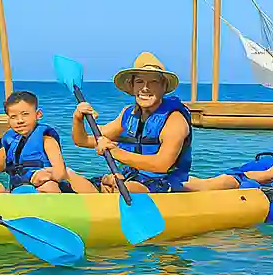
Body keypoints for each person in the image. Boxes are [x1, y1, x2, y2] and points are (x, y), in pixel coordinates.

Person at [71, 52, 193, 194]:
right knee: (68, 177)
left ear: (163, 87)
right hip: (131, 178)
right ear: (133, 86)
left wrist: (116, 152)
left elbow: (162, 164)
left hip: (164, 183)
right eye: (140, 82)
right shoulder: (128, 115)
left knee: (122, 188)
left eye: (153, 82)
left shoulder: (174, 120)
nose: (145, 88)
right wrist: (78, 119)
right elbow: (83, 140)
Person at [0, 90, 96, 193]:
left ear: (38, 114)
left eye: (25, 114)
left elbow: (60, 172)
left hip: (44, 184)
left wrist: (48, 175)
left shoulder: (46, 140)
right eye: (13, 117)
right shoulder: (11, 140)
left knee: (49, 186)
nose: (20, 120)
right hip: (20, 186)